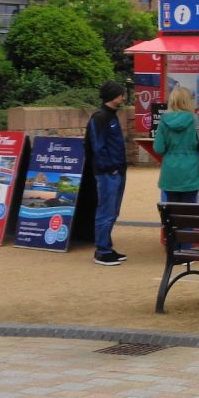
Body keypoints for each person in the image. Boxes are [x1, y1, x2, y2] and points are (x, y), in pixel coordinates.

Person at [86, 80, 128, 265]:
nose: (123, 97)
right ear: (113, 96)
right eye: (120, 94)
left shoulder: (110, 116)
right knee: (106, 210)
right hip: (108, 172)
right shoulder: (100, 117)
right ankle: (102, 250)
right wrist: (109, 167)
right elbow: (97, 145)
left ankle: (107, 246)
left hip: (116, 170)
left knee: (113, 211)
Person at [152, 85, 199, 203]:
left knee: (172, 212)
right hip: (191, 173)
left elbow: (158, 148)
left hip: (170, 173)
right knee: (189, 212)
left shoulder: (164, 120)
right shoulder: (197, 120)